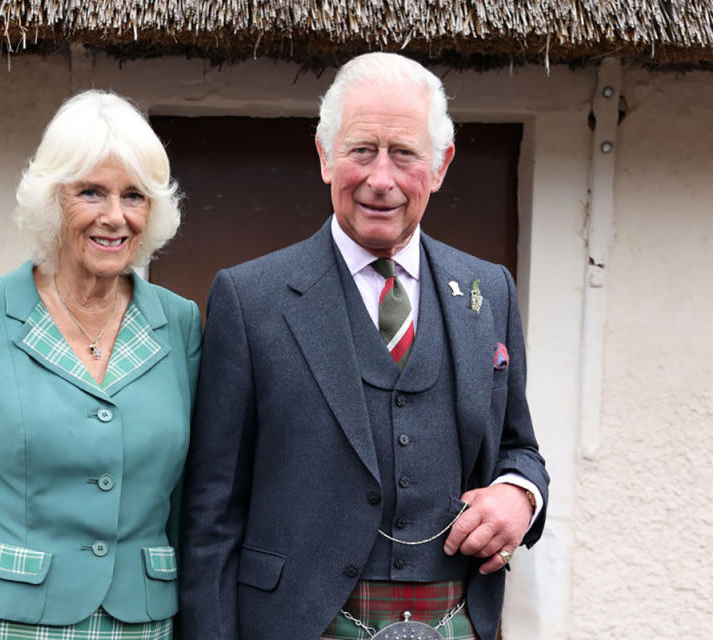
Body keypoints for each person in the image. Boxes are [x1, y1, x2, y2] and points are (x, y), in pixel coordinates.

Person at [179, 52, 549, 640]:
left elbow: (518, 448)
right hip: (296, 623)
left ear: (440, 165)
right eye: (361, 150)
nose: (381, 179)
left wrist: (519, 495)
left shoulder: (489, 290)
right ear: (325, 156)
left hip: (455, 620)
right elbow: (210, 512)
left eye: (404, 153)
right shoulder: (248, 298)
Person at [0, 90, 201, 640]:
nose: (115, 217)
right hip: (2, 622)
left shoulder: (180, 324)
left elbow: (185, 503)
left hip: (142, 624)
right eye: (91, 192)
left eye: (133, 196)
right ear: (51, 200)